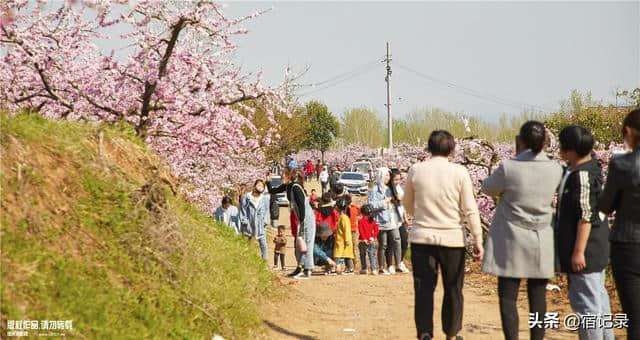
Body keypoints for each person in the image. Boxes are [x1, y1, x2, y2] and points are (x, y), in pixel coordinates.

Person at [480, 122, 563, 340]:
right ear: (545, 142)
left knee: (508, 297)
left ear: (521, 141)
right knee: (538, 297)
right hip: (541, 238)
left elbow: (487, 187)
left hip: (511, 238)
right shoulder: (555, 168)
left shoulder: (509, 167)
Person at [402, 130, 484, 340]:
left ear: (429, 148)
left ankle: (425, 333)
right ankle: (452, 332)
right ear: (452, 149)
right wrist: (478, 238)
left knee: (423, 289)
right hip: (452, 240)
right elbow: (470, 208)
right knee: (453, 289)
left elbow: (408, 204)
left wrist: (422, 216)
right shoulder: (459, 172)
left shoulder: (416, 170)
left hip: (422, 239)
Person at [555, 125, 613, 340]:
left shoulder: (583, 175)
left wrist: (578, 252)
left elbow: (585, 216)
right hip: (594, 247)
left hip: (587, 250)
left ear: (570, 149)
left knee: (587, 307)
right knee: (598, 301)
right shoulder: (586, 168)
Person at [599, 108, 640, 340]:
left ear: (628, 131)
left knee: (634, 317)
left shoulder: (622, 164)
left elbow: (606, 206)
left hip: (628, 245)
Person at [267, 168, 316, 279]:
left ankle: (307, 270)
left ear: (288, 176)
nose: (280, 177)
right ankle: (299, 267)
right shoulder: (287, 186)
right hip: (301, 219)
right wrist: (268, 181)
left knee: (306, 243)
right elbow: (272, 191)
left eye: (282, 175)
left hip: (306, 219)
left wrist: (302, 222)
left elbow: (302, 206)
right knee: (298, 244)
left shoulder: (296, 187)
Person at [368, 167, 402, 275]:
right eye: (386, 175)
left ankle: (396, 264)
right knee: (383, 245)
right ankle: (382, 267)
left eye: (388, 175)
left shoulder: (389, 188)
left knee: (396, 240)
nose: (388, 178)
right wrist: (384, 202)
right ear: (380, 176)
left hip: (392, 219)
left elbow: (394, 201)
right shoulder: (374, 189)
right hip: (381, 220)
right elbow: (371, 205)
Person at [239, 180, 271, 260]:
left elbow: (267, 210)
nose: (260, 188)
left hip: (260, 223)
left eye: (262, 187)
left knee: (263, 243)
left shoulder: (264, 198)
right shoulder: (247, 197)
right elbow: (243, 209)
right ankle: (245, 258)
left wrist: (266, 221)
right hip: (249, 222)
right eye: (259, 185)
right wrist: (244, 220)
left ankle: (264, 261)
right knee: (247, 241)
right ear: (254, 186)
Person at [388, 170, 410, 273]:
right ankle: (390, 264)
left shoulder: (399, 188)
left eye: (399, 179)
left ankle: (399, 262)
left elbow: (403, 204)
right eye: (395, 179)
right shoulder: (388, 189)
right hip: (392, 219)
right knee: (392, 243)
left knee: (404, 241)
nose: (397, 181)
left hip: (400, 219)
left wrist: (405, 217)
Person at [334, 197, 355, 274]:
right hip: (341, 240)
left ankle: (339, 269)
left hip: (343, 240)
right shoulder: (342, 217)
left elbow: (346, 230)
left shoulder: (344, 218)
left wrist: (347, 240)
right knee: (346, 255)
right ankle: (349, 268)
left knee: (339, 255)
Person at [358, 204, 379, 275]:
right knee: (371, 255)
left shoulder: (361, 221)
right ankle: (373, 269)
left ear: (362, 212)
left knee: (362, 255)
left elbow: (361, 231)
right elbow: (377, 230)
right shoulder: (372, 220)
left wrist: (364, 239)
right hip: (370, 240)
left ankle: (364, 268)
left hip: (362, 241)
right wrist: (373, 237)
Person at [346, 197, 361, 271]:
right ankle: (355, 266)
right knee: (354, 248)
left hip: (349, 230)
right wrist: (353, 205)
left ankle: (350, 266)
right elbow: (360, 211)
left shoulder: (345, 209)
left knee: (349, 248)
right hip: (353, 230)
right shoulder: (354, 208)